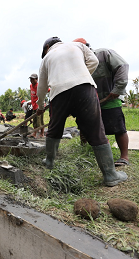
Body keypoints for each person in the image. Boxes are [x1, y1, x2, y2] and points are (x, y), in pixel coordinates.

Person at [36, 36, 127, 187]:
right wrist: (81, 75)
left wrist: (40, 107)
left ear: (47, 48)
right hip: (85, 89)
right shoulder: (78, 46)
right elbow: (94, 62)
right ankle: (110, 175)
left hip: (58, 93)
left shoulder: (47, 58)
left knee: (55, 127)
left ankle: (49, 162)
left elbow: (42, 88)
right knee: (96, 130)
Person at [73, 38, 130, 167]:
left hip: (110, 98)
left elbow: (122, 66)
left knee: (118, 127)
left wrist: (118, 89)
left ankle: (124, 157)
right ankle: (85, 151)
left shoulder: (104, 54)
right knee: (84, 126)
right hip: (89, 102)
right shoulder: (77, 65)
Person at [29, 73, 46, 138]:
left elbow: (47, 90)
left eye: (33, 79)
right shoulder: (31, 86)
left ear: (37, 79)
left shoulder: (39, 86)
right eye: (31, 79)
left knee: (40, 121)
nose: (31, 80)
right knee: (35, 121)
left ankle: (42, 134)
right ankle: (34, 133)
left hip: (39, 106)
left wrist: (43, 102)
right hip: (34, 106)